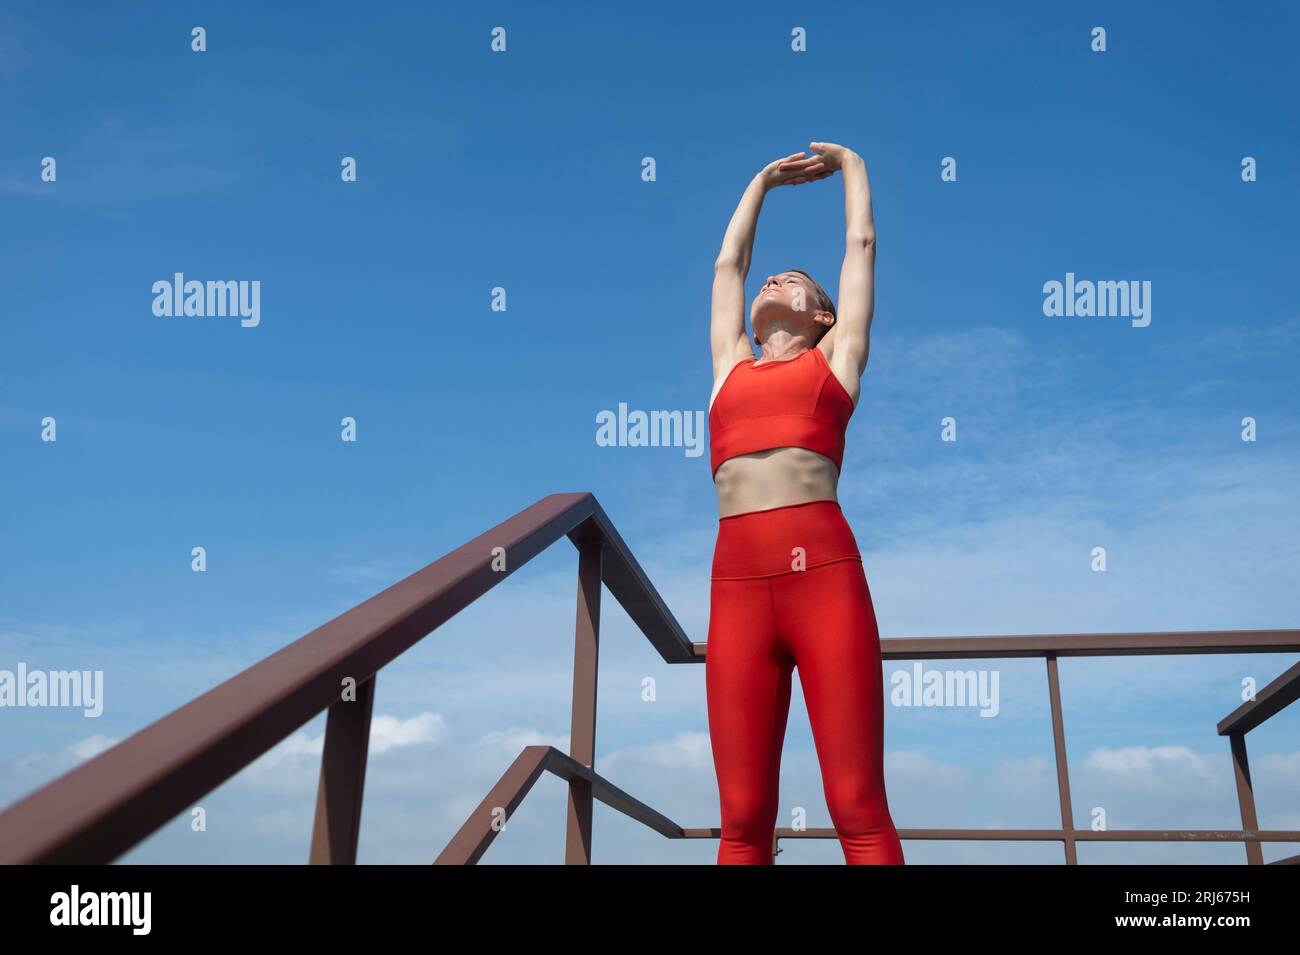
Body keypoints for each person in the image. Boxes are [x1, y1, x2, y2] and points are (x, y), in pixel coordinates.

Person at [705, 142, 905, 864]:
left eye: (796, 281)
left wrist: (854, 166)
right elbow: (729, 265)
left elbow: (862, 243)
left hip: (824, 581)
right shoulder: (729, 364)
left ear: (822, 315)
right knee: (743, 814)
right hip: (736, 592)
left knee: (855, 801)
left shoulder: (837, 359)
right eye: (772, 276)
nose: (773, 276)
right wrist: (759, 182)